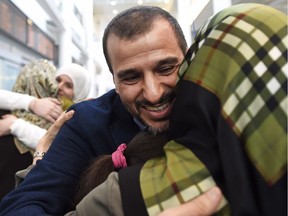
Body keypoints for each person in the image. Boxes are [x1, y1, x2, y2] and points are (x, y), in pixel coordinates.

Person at [0, 5, 220, 215]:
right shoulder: (85, 123)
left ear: (188, 58)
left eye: (165, 68)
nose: (153, 93)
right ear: (114, 80)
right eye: (131, 77)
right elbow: (23, 205)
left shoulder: (217, 106)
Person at [0, 62, 91, 150]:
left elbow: (62, 146)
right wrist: (33, 103)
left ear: (79, 93)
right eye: (57, 80)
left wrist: (15, 125)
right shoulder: (21, 108)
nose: (59, 86)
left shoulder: (78, 120)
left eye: (68, 86)